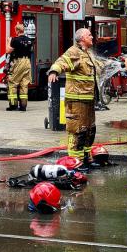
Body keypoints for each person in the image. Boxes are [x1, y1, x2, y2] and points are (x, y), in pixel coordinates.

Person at [48, 28, 103, 164]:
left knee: (89, 130)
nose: (92, 37)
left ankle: (86, 158)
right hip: (77, 100)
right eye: (89, 35)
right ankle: (75, 161)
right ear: (82, 38)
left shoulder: (87, 53)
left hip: (88, 100)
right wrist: (54, 71)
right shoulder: (74, 51)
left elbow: (97, 68)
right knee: (77, 130)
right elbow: (62, 61)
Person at [6, 23, 33, 111]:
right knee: (24, 84)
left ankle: (13, 105)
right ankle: (23, 106)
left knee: (12, 82)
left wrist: (8, 41)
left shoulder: (15, 40)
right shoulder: (29, 40)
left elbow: (8, 50)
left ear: (17, 31)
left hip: (18, 62)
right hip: (27, 62)